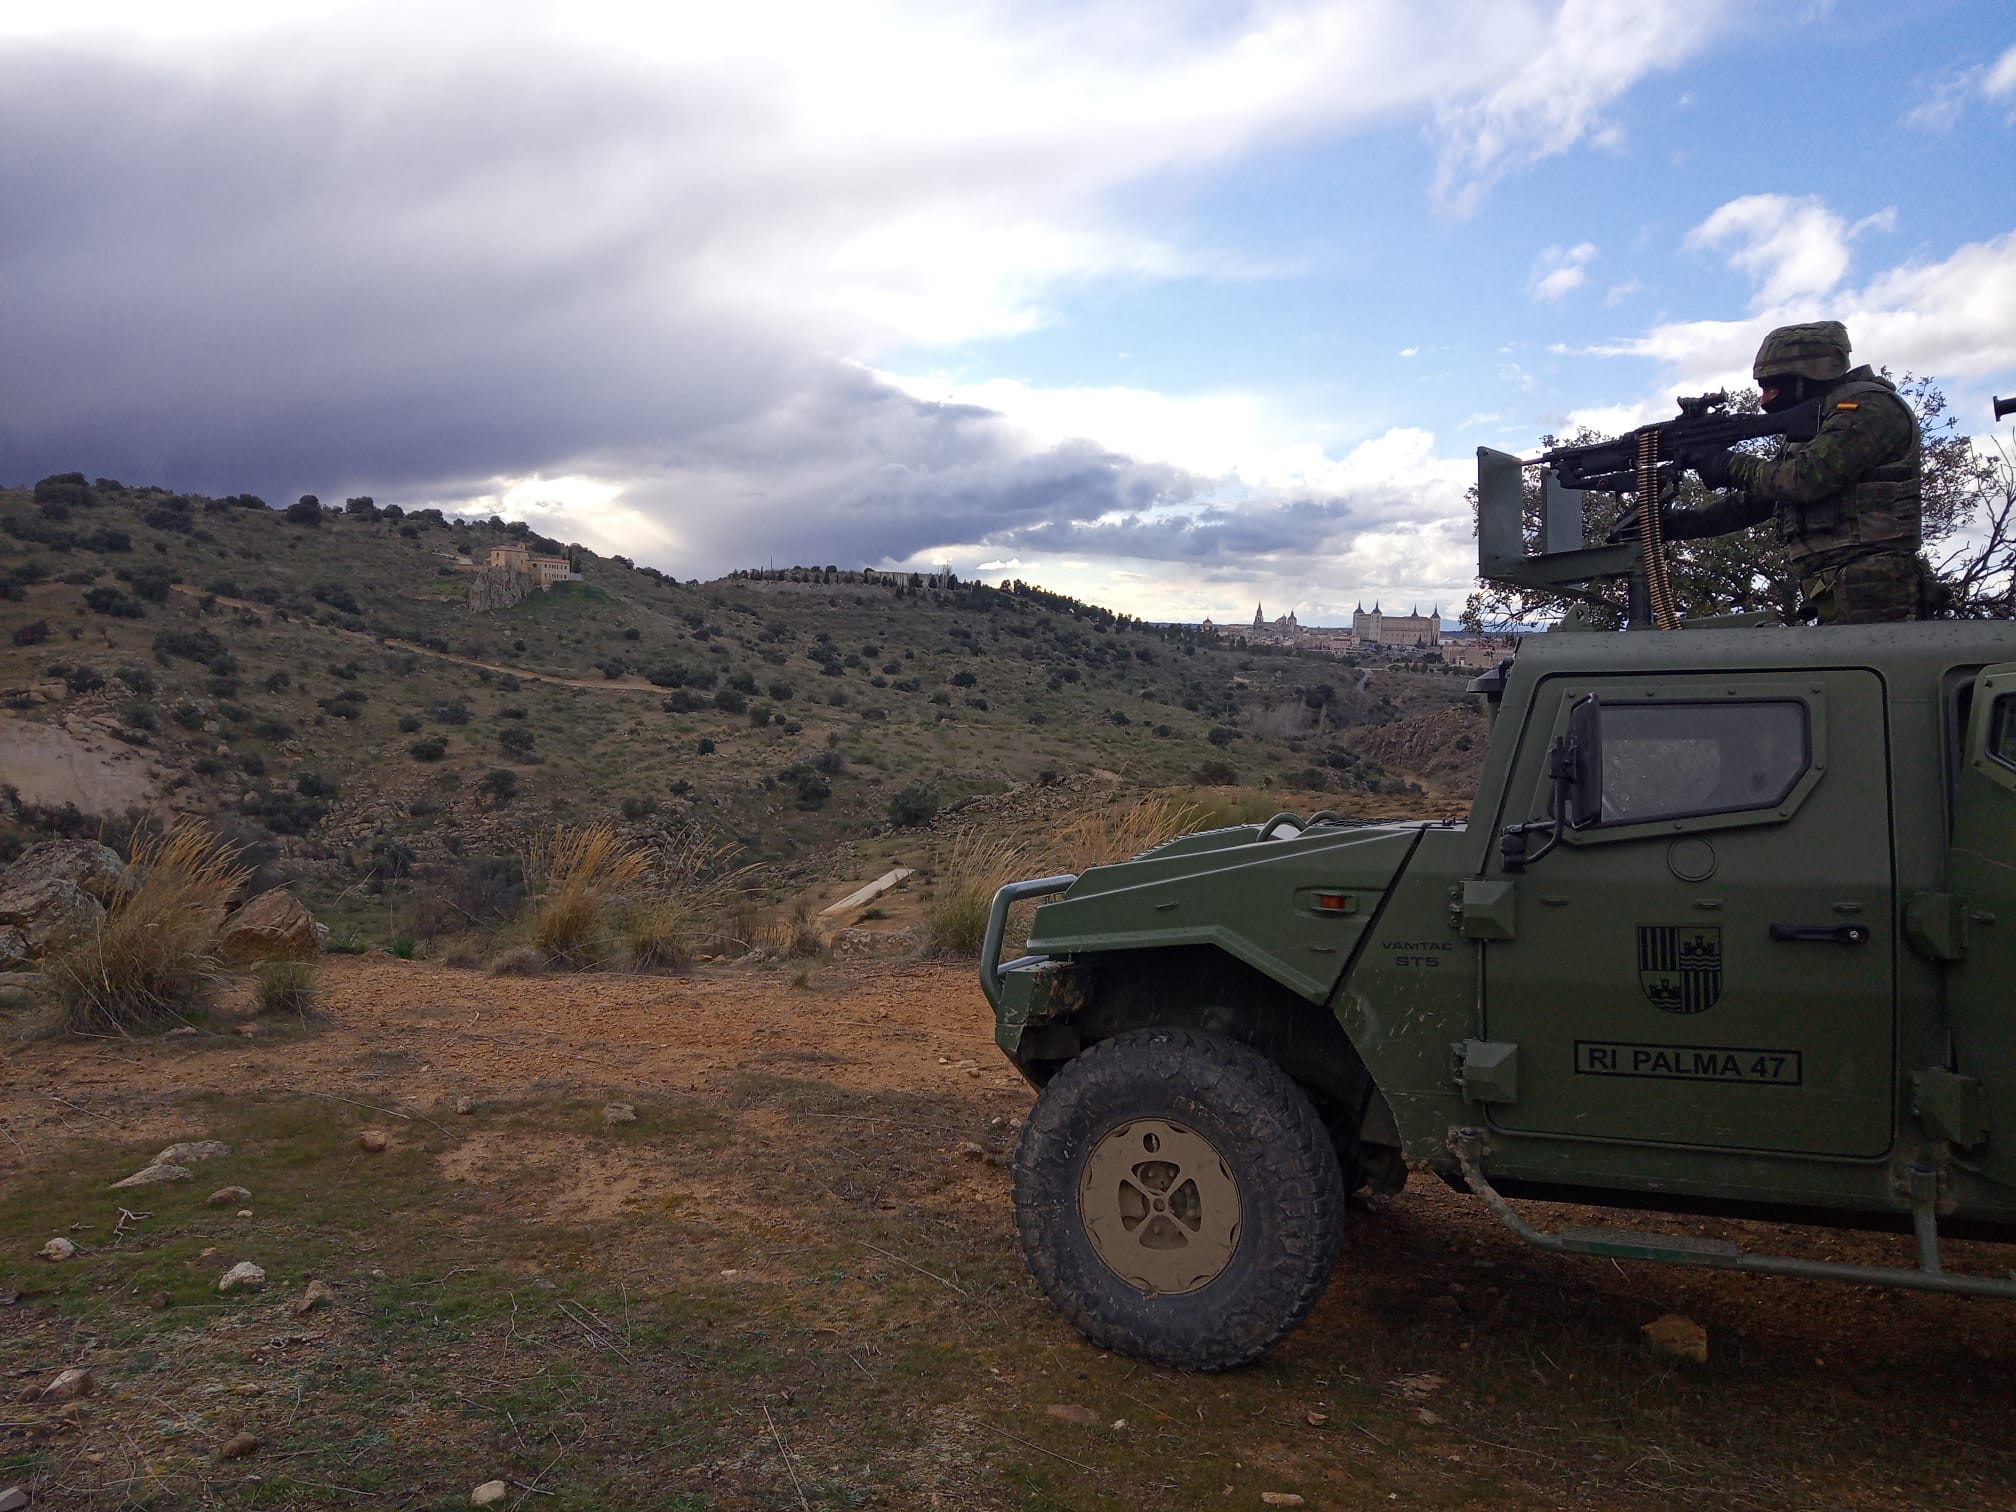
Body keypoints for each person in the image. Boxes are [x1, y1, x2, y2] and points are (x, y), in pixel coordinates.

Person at [1653, 321, 1926, 624]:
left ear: (1807, 375)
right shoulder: (1821, 423)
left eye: (1772, 387)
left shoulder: (1868, 408)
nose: (1764, 401)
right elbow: (1760, 501)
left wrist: (1727, 464)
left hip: (1875, 589)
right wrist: (1675, 525)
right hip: (1836, 590)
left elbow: (1802, 479)